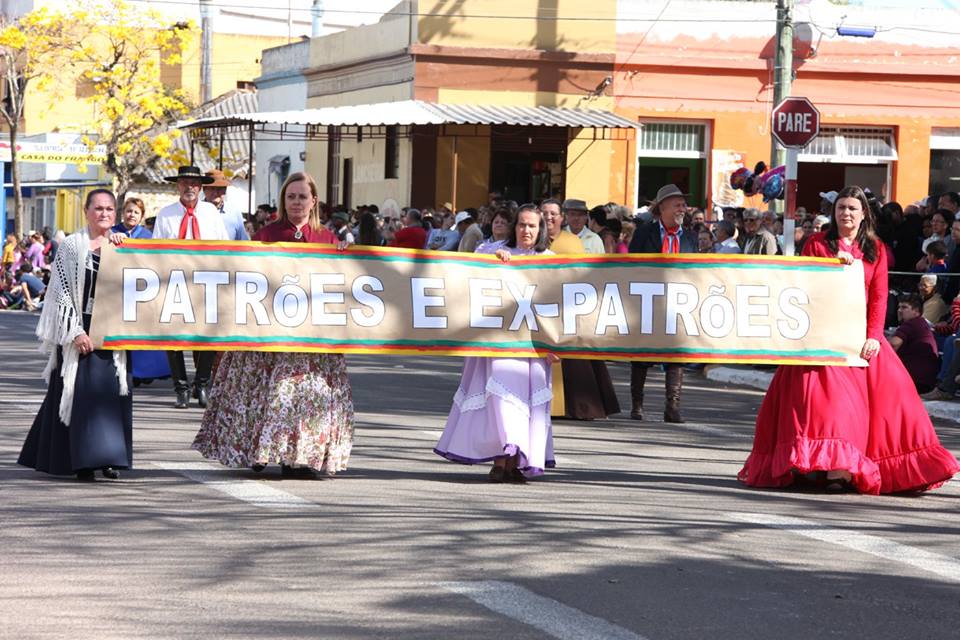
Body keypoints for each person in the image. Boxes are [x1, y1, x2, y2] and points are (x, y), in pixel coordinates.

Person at [739, 185, 959, 494]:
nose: (846, 213)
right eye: (841, 207)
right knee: (822, 404)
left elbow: (879, 297)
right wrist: (831, 266)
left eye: (852, 208)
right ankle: (818, 465)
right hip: (822, 337)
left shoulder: (876, 249)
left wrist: (874, 337)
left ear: (864, 213)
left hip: (860, 337)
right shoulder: (817, 243)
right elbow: (803, 286)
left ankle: (844, 470)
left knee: (892, 402)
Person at [192, 172, 355, 479]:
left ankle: (300, 459)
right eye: (291, 197)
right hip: (267, 333)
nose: (296, 202)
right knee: (263, 393)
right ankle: (259, 450)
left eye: (302, 197)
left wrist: (347, 257)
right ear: (283, 201)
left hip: (312, 339)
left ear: (314, 201)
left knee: (304, 399)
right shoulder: (266, 235)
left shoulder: (327, 239)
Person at [434, 205, 558, 482]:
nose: (526, 230)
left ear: (541, 229)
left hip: (533, 345)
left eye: (532, 226)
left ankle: (516, 462)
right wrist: (493, 262)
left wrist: (556, 344)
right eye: (522, 224)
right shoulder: (492, 251)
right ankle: (501, 460)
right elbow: (468, 280)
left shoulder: (550, 261)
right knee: (502, 400)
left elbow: (557, 306)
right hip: (498, 342)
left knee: (526, 402)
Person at [17, 189, 133, 482]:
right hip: (79, 330)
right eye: (98, 208)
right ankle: (82, 462)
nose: (104, 213)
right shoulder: (71, 246)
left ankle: (109, 458)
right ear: (86, 211)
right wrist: (75, 332)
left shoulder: (122, 246)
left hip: (113, 332)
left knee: (111, 397)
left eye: (109, 209)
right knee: (78, 396)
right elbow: (60, 293)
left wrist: (128, 249)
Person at [153, 165, 229, 409]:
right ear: (178, 185)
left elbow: (225, 246)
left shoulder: (211, 213)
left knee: (207, 334)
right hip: (174, 282)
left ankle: (202, 384)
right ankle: (181, 388)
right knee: (174, 337)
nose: (190, 187)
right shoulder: (166, 214)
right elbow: (154, 250)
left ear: (201, 187)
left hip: (206, 281)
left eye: (194, 184)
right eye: (185, 183)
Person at [540, 199, 620, 420]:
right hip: (541, 306)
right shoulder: (534, 239)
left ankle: (577, 406)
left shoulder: (574, 242)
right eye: (544, 213)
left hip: (571, 306)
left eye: (553, 213)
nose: (549, 217)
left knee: (577, 360)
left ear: (561, 217)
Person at [628, 184, 697, 422]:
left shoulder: (690, 238)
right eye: (677, 205)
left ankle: (672, 407)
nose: (682, 209)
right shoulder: (644, 233)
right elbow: (630, 266)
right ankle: (637, 405)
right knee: (641, 353)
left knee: (676, 354)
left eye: (683, 205)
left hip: (678, 304)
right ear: (662, 208)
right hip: (648, 302)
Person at [112, 197, 171, 385]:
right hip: (117, 290)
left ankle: (146, 372)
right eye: (129, 211)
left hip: (142, 289)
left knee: (143, 330)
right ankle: (128, 371)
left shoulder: (147, 236)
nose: (132, 215)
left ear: (141, 216)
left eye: (136, 212)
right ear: (123, 213)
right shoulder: (112, 233)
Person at [888, 294, 939, 394]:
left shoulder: (912, 323)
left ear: (916, 311)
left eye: (904, 307)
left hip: (914, 381)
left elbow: (894, 344)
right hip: (925, 382)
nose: (899, 310)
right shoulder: (920, 323)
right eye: (899, 307)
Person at [203, 169, 249, 241]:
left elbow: (243, 241)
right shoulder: (197, 211)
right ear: (204, 190)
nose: (215, 193)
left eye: (219, 189)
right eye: (212, 188)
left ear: (225, 191)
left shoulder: (234, 212)